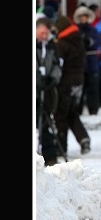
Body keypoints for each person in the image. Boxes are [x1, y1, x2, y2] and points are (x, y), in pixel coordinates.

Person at [53, 15, 91, 156]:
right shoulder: (78, 40)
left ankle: (61, 148)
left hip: (66, 82)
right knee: (71, 112)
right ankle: (83, 138)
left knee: (61, 114)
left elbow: (59, 65)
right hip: (79, 81)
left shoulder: (61, 44)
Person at [36, 17, 62, 166]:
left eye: (47, 33)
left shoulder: (51, 46)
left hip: (46, 93)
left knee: (46, 124)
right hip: (35, 90)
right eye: (42, 33)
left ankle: (50, 157)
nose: (44, 36)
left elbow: (57, 65)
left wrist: (53, 78)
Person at [73, 5, 101, 115]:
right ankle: (77, 109)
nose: (83, 19)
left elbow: (97, 42)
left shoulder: (93, 30)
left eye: (85, 16)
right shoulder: (75, 30)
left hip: (92, 64)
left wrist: (89, 42)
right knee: (80, 88)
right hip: (80, 65)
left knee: (93, 88)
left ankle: (93, 108)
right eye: (81, 17)